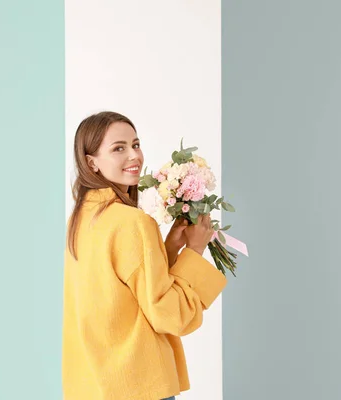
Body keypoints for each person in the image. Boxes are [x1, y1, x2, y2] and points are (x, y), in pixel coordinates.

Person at [62, 111, 228, 400]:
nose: (134, 156)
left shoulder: (80, 219)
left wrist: (168, 249)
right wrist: (196, 250)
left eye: (135, 144)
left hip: (95, 385)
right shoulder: (131, 222)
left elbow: (120, 295)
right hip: (138, 386)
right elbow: (171, 316)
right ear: (91, 162)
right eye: (118, 148)